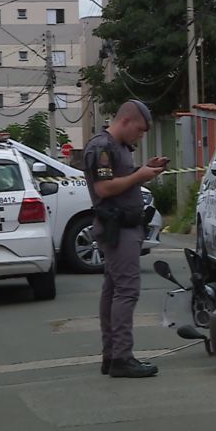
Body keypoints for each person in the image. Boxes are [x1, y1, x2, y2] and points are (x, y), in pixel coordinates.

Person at [83, 100, 168, 378]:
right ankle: (121, 356)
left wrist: (143, 172)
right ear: (127, 121)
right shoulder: (102, 147)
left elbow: (120, 180)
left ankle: (112, 355)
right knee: (126, 292)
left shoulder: (118, 147)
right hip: (117, 229)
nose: (141, 136)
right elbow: (104, 187)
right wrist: (138, 176)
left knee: (113, 292)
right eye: (140, 130)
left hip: (125, 227)